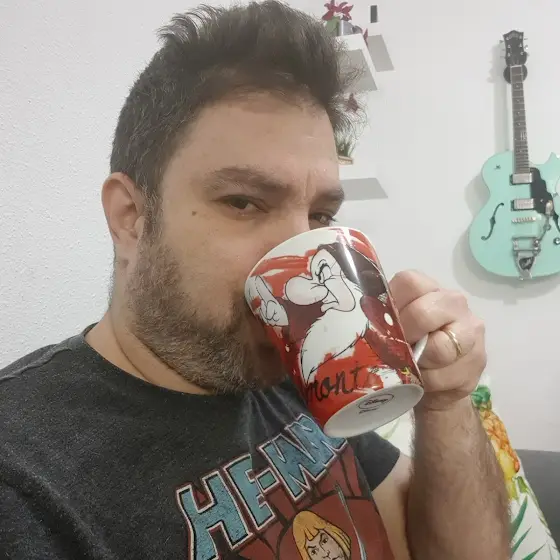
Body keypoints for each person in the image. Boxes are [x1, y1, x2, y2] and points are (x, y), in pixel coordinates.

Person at [0, 2, 509, 559]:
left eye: (320, 215)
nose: (300, 252)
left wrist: (445, 404)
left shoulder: (304, 378)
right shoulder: (24, 476)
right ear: (131, 217)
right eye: (243, 202)